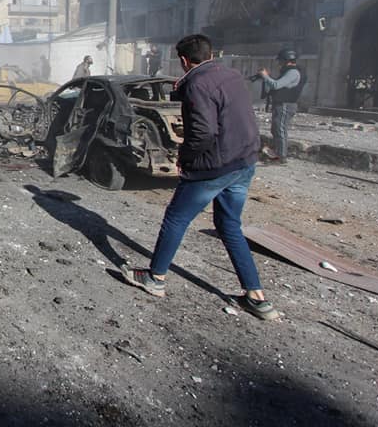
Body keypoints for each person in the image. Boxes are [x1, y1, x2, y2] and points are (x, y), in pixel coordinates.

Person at [120, 34, 277, 321]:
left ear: (183, 60)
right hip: (244, 162)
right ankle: (256, 297)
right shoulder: (233, 76)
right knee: (229, 225)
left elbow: (203, 132)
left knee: (176, 218)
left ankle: (155, 278)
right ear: (211, 54)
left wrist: (185, 158)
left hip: (213, 167)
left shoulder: (196, 84)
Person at [259, 48, 305, 164]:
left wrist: (265, 76)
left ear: (286, 60)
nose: (279, 63)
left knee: (280, 129)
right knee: (276, 129)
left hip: (286, 105)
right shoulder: (288, 72)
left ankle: (281, 156)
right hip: (281, 104)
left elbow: (276, 85)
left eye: (280, 60)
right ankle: (276, 154)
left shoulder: (293, 72)